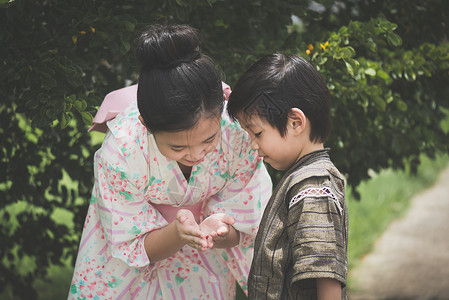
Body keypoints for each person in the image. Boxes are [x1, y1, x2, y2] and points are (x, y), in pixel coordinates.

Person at [68, 24, 272, 300]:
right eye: (178, 146)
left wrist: (221, 232)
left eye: (209, 139)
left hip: (206, 251)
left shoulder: (237, 132)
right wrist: (178, 233)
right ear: (146, 125)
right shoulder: (122, 150)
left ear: (220, 111)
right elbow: (131, 243)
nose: (197, 154)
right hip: (129, 266)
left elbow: (246, 222)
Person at [227, 53, 348, 299]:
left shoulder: (312, 186)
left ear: (295, 122)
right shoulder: (300, 179)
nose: (253, 145)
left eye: (257, 133)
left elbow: (324, 272)